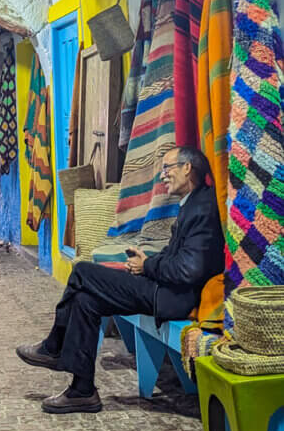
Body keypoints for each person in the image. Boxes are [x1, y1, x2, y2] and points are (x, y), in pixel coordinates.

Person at [15, 146, 225, 414]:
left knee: (82, 272)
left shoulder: (203, 208)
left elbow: (189, 271)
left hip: (171, 297)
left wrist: (148, 265)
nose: (163, 176)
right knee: (85, 300)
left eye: (167, 168)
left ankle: (54, 346)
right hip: (162, 288)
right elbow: (181, 259)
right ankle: (82, 391)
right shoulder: (193, 204)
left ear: (187, 168)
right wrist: (146, 261)